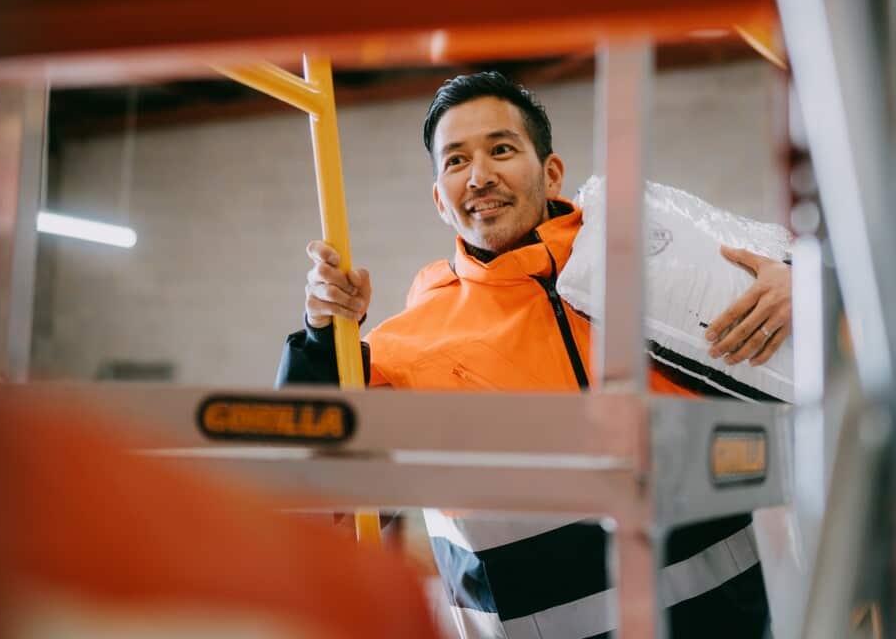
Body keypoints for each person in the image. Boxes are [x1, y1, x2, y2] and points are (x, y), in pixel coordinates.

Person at [277, 72, 792, 639]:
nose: (479, 177)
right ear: (439, 202)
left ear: (550, 174)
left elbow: (846, 345)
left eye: (501, 149)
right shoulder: (402, 354)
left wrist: (803, 289)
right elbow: (310, 511)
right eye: (455, 161)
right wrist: (322, 340)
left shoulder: (660, 273)